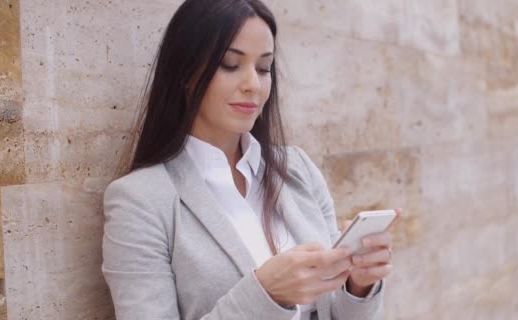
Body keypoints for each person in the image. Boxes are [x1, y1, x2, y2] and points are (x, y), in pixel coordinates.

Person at [101, 0, 399, 319]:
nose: (252, 85)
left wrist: (357, 287)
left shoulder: (297, 169)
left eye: (263, 68)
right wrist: (266, 293)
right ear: (185, 72)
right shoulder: (140, 201)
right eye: (230, 64)